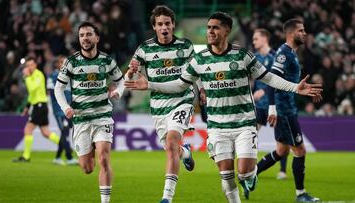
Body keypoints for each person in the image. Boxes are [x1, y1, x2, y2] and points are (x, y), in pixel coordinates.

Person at [125, 12, 322, 203]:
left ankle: (250, 175)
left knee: (243, 172)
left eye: (215, 28)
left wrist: (296, 87)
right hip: (217, 126)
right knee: (226, 176)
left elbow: (269, 78)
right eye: (209, 28)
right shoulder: (199, 60)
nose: (210, 31)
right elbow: (179, 84)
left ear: (227, 30)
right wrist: (150, 85)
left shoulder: (242, 56)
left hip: (244, 123)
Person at [126, 5, 195, 203]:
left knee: (173, 141)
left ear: (173, 25)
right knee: (172, 148)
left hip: (182, 100)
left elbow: (195, 71)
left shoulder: (185, 46)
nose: (164, 27)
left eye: (167, 23)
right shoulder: (145, 49)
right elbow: (130, 75)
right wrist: (131, 73)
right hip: (158, 107)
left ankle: (166, 197)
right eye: (159, 24)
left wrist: (203, 89)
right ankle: (186, 152)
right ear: (154, 27)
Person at [54, 21, 125, 203]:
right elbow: (58, 89)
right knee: (87, 168)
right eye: (82, 35)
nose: (85, 38)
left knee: (103, 159)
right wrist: (66, 107)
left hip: (102, 116)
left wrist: (118, 91)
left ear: (97, 38)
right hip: (81, 120)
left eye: (88, 34)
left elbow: (121, 80)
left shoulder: (107, 61)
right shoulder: (71, 62)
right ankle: (91, 147)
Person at [256, 19, 321, 202]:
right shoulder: (283, 54)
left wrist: (305, 90)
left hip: (288, 108)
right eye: (301, 30)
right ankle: (301, 194)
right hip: (284, 111)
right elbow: (271, 81)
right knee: (299, 151)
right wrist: (272, 108)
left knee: (281, 151)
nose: (305, 33)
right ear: (291, 33)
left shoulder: (292, 53)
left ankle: (250, 173)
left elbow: (288, 84)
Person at [252, 28, 288, 180]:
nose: (254, 42)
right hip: (260, 105)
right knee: (251, 135)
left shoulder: (276, 57)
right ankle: (250, 167)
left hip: (275, 104)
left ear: (265, 38)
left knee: (282, 140)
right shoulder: (254, 57)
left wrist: (264, 92)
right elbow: (252, 79)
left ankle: (282, 170)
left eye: (256, 39)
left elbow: (279, 81)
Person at [13, 57, 60, 163]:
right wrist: (27, 106)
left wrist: (27, 77)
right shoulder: (33, 75)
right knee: (45, 132)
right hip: (39, 106)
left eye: (31, 65)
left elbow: (32, 88)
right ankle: (64, 146)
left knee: (28, 130)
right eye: (27, 65)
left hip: (40, 106)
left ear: (35, 65)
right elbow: (32, 94)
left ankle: (26, 156)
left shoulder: (38, 75)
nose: (29, 67)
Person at [47, 55, 78, 165]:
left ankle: (57, 158)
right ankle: (69, 158)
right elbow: (52, 93)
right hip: (60, 110)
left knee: (64, 132)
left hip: (69, 110)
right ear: (58, 64)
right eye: (63, 63)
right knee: (64, 132)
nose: (65, 65)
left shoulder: (70, 77)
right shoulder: (53, 76)